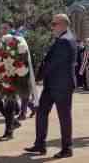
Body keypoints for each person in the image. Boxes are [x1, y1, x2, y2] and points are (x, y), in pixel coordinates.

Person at [25, 14, 77, 159]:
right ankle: (40, 144)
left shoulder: (65, 41)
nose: (52, 26)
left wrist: (36, 77)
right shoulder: (63, 39)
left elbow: (51, 64)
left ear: (63, 24)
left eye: (54, 24)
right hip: (52, 84)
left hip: (61, 85)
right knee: (41, 112)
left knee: (64, 117)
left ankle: (67, 148)